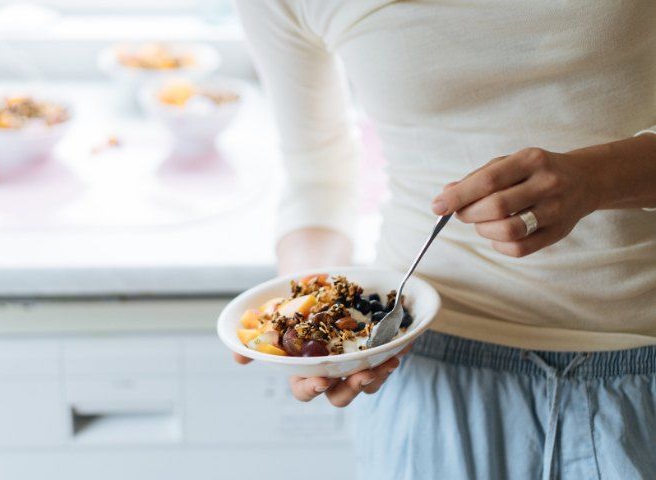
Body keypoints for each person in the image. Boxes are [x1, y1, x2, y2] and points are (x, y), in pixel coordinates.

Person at [232, 1, 656, 478]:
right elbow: (315, 182)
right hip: (423, 369)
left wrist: (598, 179)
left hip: (641, 360)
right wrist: (310, 316)